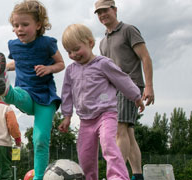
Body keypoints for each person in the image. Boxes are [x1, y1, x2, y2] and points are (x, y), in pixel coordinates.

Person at [0, 0, 65, 179]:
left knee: (40, 140)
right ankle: (5, 90)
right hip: (26, 93)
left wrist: (49, 68)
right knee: (16, 95)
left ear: (38, 25)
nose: (20, 28)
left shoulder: (47, 43)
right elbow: (20, 62)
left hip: (46, 98)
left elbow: (61, 63)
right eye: (16, 25)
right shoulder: (14, 45)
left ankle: (38, 177)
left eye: (25, 24)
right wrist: (5, 67)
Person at [58, 23, 145, 180]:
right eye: (69, 52)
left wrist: (136, 97)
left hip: (106, 114)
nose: (73, 54)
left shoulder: (103, 63)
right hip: (85, 120)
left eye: (76, 49)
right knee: (85, 154)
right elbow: (67, 94)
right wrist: (67, 116)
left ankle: (118, 177)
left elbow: (122, 80)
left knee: (108, 144)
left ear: (90, 43)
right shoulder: (71, 70)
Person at [94, 0, 155, 179]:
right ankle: (137, 175)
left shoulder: (129, 30)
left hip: (130, 85)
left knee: (119, 128)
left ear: (114, 10)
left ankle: (117, 175)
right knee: (127, 131)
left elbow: (145, 57)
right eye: (98, 13)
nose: (102, 15)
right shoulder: (103, 42)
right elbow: (105, 70)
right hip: (112, 90)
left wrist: (149, 86)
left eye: (105, 11)